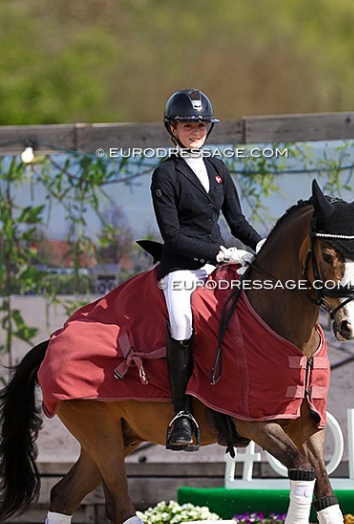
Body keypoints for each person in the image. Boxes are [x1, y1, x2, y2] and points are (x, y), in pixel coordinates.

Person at [151, 88, 265, 449]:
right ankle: (182, 413)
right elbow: (172, 235)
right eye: (188, 124)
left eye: (201, 124)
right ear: (173, 128)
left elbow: (237, 220)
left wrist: (261, 244)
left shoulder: (217, 167)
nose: (195, 130)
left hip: (220, 264)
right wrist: (219, 254)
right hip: (183, 268)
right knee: (183, 322)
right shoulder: (165, 175)